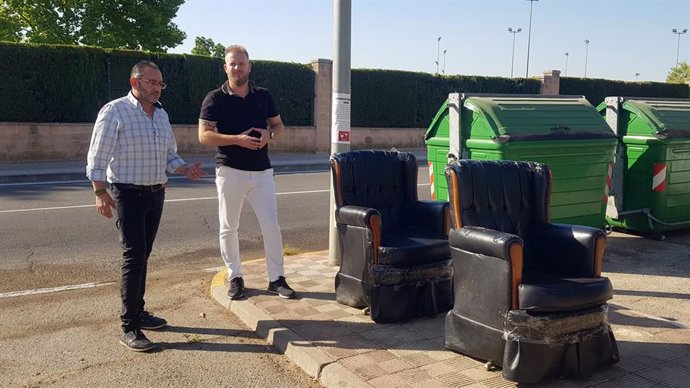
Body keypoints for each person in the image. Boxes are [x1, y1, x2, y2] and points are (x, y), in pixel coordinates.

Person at [86, 60, 208, 352]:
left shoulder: (161, 115)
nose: (156, 87)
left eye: (160, 83)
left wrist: (185, 169)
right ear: (135, 82)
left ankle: (139, 311)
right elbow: (97, 157)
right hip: (128, 193)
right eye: (151, 82)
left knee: (144, 254)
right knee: (133, 256)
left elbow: (170, 155)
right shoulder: (115, 111)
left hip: (156, 193)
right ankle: (129, 326)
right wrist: (100, 192)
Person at [198, 45, 295, 301]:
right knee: (229, 227)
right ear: (225, 67)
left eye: (242, 64)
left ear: (249, 66)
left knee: (271, 225)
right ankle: (235, 277)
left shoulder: (263, 95)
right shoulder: (214, 98)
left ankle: (276, 279)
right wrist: (236, 140)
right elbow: (204, 135)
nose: (237, 68)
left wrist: (270, 135)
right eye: (233, 64)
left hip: (262, 172)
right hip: (230, 170)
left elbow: (278, 126)